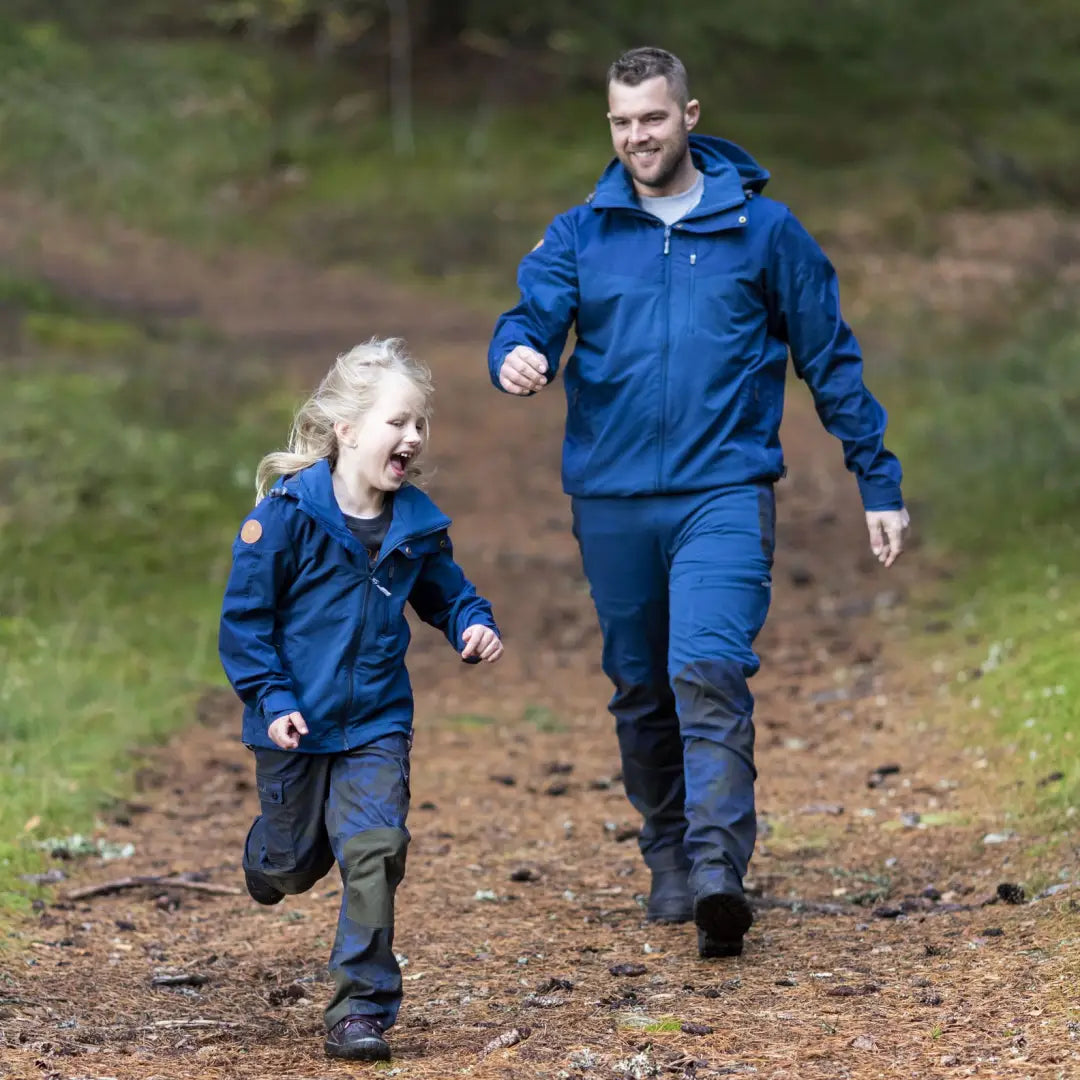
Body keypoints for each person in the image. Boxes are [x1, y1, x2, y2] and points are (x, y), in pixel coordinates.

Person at [487, 47, 909, 959]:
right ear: (611, 127)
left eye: (653, 118)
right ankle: (669, 855)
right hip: (611, 499)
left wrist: (875, 476)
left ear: (688, 115)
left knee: (707, 669)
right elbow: (527, 320)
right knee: (641, 688)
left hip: (724, 488)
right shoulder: (580, 234)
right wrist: (514, 354)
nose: (638, 136)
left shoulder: (766, 231)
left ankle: (720, 868)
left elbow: (829, 357)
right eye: (622, 122)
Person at [219, 338, 502, 1062]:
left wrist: (472, 624)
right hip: (291, 725)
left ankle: (360, 1010)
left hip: (376, 723)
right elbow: (244, 625)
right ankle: (266, 856)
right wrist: (273, 699)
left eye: (419, 425)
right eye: (396, 422)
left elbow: (449, 594)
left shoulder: (416, 527)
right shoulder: (285, 519)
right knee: (294, 864)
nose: (411, 438)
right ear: (346, 430)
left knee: (374, 850)